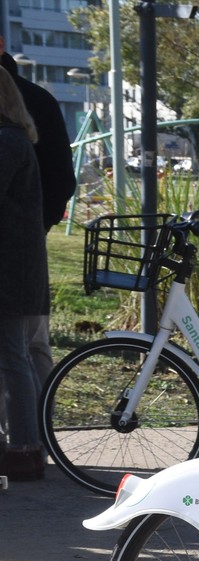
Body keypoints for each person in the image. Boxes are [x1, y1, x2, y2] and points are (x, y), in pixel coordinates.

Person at [0, 33, 76, 441]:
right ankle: (31, 441)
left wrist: (35, 227)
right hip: (24, 250)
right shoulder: (23, 124)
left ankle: (28, 444)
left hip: (15, 255)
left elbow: (62, 177)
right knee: (25, 351)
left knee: (21, 352)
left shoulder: (13, 132)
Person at [0, 70, 49, 480]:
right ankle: (26, 448)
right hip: (19, 269)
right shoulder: (17, 139)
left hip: (9, 272)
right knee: (16, 359)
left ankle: (24, 450)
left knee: (13, 360)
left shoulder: (6, 142)